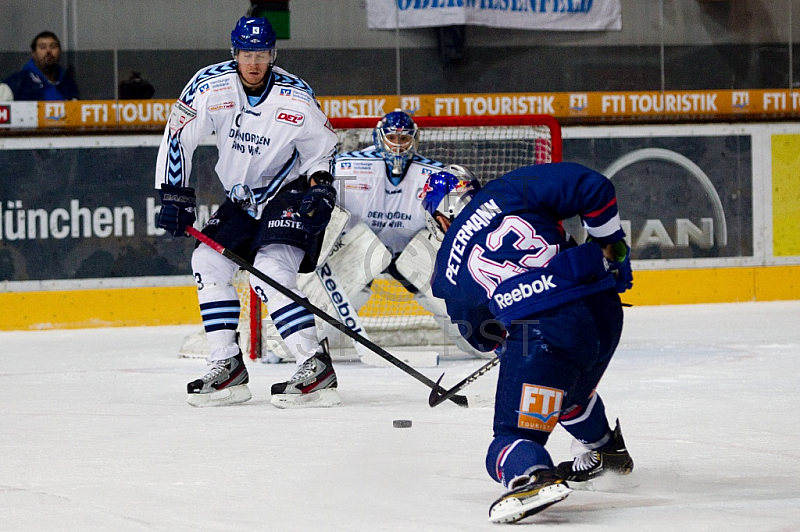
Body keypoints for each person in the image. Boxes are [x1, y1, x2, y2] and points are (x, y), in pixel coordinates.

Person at [421, 162, 635, 523]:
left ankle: (535, 475)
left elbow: (480, 333)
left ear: (440, 218)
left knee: (508, 438)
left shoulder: (445, 269)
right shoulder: (511, 187)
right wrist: (613, 247)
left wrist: (510, 347)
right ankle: (607, 451)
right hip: (603, 309)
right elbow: (593, 187)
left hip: (545, 332)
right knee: (567, 392)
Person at [154, 16, 339, 409]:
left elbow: (322, 148)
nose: (253, 62)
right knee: (207, 260)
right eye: (246, 53)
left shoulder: (297, 97)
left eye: (261, 54)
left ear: (273, 54)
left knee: (271, 271)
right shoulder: (208, 85)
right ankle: (227, 365)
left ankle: (314, 363)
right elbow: (178, 135)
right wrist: (174, 195)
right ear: (234, 53)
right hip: (242, 197)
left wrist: (321, 186)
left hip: (288, 191)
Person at [325, 110, 487, 361]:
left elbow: (460, 218)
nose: (398, 145)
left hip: (414, 251)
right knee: (321, 323)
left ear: (415, 139)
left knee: (463, 322)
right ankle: (308, 346)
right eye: (392, 138)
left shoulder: (435, 174)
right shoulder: (346, 165)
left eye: (404, 139)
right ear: (379, 137)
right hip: (360, 249)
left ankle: (484, 340)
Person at [3, 31, 78, 101]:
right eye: (42, 47)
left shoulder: (68, 84)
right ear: (33, 54)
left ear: (60, 52)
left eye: (53, 46)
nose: (48, 51)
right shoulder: (16, 83)